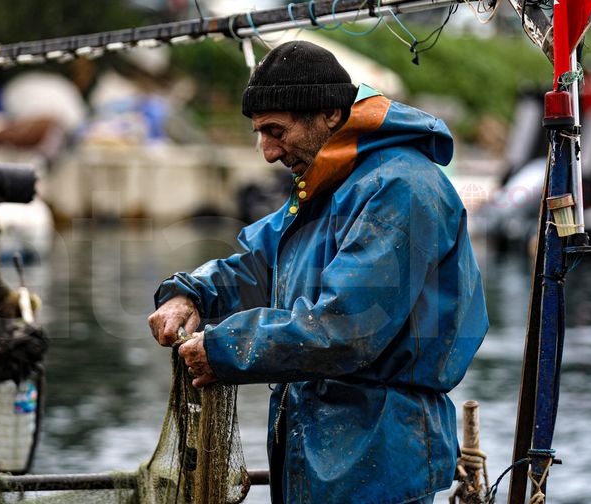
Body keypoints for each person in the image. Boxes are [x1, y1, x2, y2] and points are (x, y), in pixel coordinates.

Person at [148, 40, 488, 504]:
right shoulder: (330, 182)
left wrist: (224, 349)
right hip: (319, 453)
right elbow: (258, 264)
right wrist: (189, 294)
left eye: (275, 130)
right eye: (259, 133)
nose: (267, 152)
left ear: (329, 113)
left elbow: (344, 328)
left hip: (378, 457)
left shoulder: (399, 187)